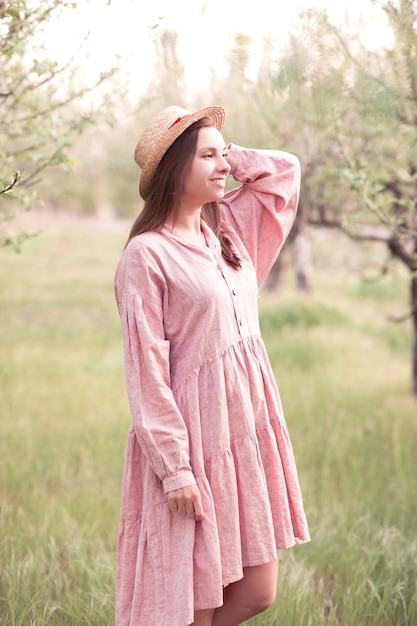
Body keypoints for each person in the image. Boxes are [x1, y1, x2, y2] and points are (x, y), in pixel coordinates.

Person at [114, 104, 310, 626]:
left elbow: (284, 173)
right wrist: (175, 469)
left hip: (243, 430)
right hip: (192, 440)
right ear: (174, 168)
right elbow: (147, 370)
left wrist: (226, 151)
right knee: (195, 602)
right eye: (207, 157)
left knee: (256, 591)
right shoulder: (146, 256)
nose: (222, 166)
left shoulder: (229, 234)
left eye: (223, 156)